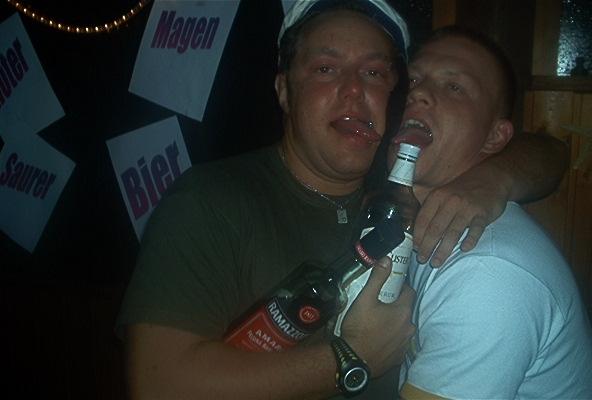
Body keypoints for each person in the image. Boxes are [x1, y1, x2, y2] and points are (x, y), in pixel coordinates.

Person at [116, 1, 568, 399]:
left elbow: (551, 152)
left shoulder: (399, 189)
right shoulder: (210, 200)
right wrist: (349, 357)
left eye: (374, 73)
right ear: (284, 90)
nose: (354, 89)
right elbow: (159, 386)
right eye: (326, 69)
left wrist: (496, 178)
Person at [394, 26, 592, 399]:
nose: (417, 92)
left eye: (454, 87)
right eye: (412, 79)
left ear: (494, 137)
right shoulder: (394, 208)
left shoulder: (486, 274)